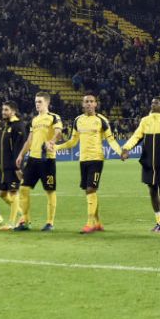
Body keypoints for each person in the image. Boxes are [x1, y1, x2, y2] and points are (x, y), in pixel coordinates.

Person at [55, 94, 122, 234]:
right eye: (87, 102)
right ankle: (97, 223)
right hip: (83, 160)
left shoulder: (102, 120)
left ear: (96, 104)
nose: (89, 104)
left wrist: (120, 152)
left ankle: (89, 223)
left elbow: (111, 139)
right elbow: (73, 142)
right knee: (89, 190)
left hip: (96, 159)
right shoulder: (78, 120)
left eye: (92, 101)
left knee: (91, 189)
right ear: (83, 104)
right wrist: (56, 147)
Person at [121, 97, 160, 232]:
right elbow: (136, 136)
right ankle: (157, 222)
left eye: (156, 103)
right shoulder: (145, 121)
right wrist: (125, 149)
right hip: (148, 163)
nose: (153, 104)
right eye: (152, 102)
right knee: (152, 192)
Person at [13, 93, 62, 232]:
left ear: (47, 103)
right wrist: (21, 155)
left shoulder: (54, 117)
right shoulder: (34, 120)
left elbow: (58, 132)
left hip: (47, 159)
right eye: (36, 101)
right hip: (33, 159)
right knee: (23, 189)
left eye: (40, 101)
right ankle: (26, 221)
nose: (37, 104)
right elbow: (29, 140)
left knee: (50, 190)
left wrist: (51, 141)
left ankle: (50, 223)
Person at [0, 101, 27, 230]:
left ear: (13, 111)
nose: (3, 112)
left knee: (13, 192)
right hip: (2, 166)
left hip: (13, 167)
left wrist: (18, 167)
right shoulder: (3, 125)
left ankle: (12, 223)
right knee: (1, 193)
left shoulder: (19, 126)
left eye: (6, 110)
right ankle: (22, 215)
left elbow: (20, 149)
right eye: (2, 110)